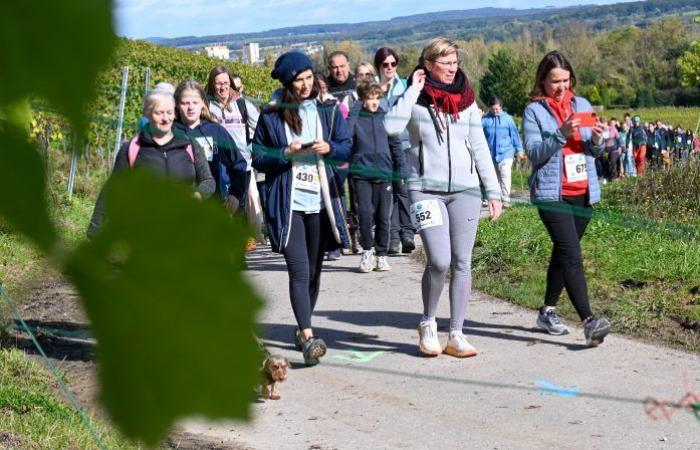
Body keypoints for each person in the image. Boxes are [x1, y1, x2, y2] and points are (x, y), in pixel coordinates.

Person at [385, 38, 502, 358]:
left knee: (462, 262)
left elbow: (479, 147)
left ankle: (457, 334)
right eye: (445, 62)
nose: (452, 68)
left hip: (465, 189)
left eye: (455, 62)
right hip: (425, 189)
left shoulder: (466, 99)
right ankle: (427, 322)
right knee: (439, 260)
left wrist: (493, 191)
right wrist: (411, 90)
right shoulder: (414, 99)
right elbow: (391, 127)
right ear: (428, 64)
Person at [252, 51, 351, 366]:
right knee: (298, 268)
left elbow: (347, 144)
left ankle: (300, 327)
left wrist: (330, 148)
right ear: (287, 84)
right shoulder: (270, 116)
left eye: (309, 78)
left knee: (314, 271)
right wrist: (285, 151)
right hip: (289, 202)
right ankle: (308, 335)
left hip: (320, 202)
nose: (306, 85)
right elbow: (257, 156)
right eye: (299, 80)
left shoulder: (328, 110)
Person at [522, 50, 610, 347]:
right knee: (571, 254)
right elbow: (534, 154)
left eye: (565, 80)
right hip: (551, 193)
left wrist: (598, 139)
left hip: (583, 191)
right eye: (554, 81)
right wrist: (560, 134)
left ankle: (547, 311)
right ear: (543, 82)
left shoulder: (581, 104)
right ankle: (589, 321)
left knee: (563, 253)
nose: (561, 87)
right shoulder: (534, 111)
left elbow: (593, 151)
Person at [88, 89, 215, 236]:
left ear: (174, 114)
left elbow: (208, 180)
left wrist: (198, 195)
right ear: (147, 114)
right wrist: (94, 230)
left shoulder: (190, 145)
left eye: (169, 112)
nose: (165, 118)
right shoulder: (133, 149)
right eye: (159, 113)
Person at [348, 81, 406, 273]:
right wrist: (356, 108)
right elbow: (347, 134)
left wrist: (401, 168)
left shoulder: (385, 117)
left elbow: (396, 144)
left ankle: (381, 255)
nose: (373, 102)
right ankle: (367, 251)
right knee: (364, 215)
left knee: (383, 218)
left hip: (384, 174)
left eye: (376, 97)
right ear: (362, 99)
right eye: (369, 98)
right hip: (361, 175)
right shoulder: (354, 117)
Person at [206, 66, 261, 250]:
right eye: (218, 83)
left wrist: (257, 149)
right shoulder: (206, 106)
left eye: (225, 83)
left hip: (241, 163)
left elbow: (262, 127)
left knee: (239, 204)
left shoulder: (243, 105)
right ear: (212, 84)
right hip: (217, 165)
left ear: (230, 84)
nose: (222, 88)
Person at [173, 79, 247, 211]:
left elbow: (238, 162)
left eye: (195, 102)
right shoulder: (170, 132)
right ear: (177, 105)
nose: (190, 107)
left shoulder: (215, 131)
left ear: (202, 103)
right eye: (185, 103)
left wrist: (236, 193)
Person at [374, 46, 415, 254]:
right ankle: (392, 237)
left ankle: (407, 232)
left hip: (404, 143)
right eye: (385, 64)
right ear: (379, 66)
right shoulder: (372, 89)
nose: (390, 67)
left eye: (393, 63)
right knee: (387, 192)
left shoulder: (406, 86)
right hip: (381, 147)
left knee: (403, 189)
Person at [481, 97, 525, 206]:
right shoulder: (485, 120)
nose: (495, 111)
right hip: (491, 153)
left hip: (506, 152)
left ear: (501, 107)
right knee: (493, 177)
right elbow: (479, 136)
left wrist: (519, 150)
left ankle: (505, 199)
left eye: (497, 109)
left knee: (505, 173)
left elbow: (514, 135)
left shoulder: (508, 119)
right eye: (493, 109)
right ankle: (492, 198)